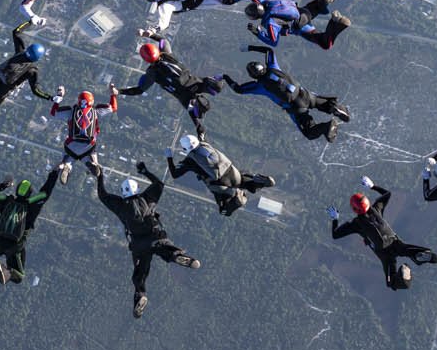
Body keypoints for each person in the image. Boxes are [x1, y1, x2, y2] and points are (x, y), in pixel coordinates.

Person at [96, 159, 201, 317]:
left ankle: (141, 293)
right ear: (137, 189)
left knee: (140, 273)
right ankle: (177, 256)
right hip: (155, 236)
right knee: (166, 248)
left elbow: (102, 195)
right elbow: (159, 184)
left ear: (124, 192)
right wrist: (145, 171)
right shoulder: (147, 198)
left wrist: (100, 176)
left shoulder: (120, 205)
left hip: (139, 245)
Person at [332, 179, 437, 290]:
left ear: (355, 209)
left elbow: (335, 234)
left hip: (383, 252)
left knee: (390, 281)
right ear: (367, 201)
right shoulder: (376, 209)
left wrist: (335, 219)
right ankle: (419, 254)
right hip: (393, 241)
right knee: (405, 249)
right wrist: (373, 186)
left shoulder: (356, 224)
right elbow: (388, 194)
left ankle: (405, 280)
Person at [0, 167, 65, 283]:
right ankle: (8, 272)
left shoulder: (7, 201)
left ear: (17, 190)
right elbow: (45, 193)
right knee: (18, 276)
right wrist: (54, 173)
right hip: (16, 246)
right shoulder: (32, 204)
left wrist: (4, 185)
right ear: (29, 193)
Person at [225, 48, 347, 140]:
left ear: (252, 75)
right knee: (320, 103)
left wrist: (226, 78)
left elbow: (238, 89)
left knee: (309, 132)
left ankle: (327, 126)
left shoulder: (260, 86)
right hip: (305, 94)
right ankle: (335, 107)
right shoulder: (274, 67)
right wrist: (250, 47)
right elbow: (269, 50)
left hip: (296, 107)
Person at [167, 130, 274, 215]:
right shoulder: (205, 143)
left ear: (185, 148)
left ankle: (237, 201)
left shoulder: (189, 161)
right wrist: (193, 113)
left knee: (224, 210)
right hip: (233, 172)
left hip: (220, 185)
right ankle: (259, 182)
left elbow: (174, 174)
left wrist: (169, 158)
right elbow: (201, 129)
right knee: (243, 180)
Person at [125, 40, 223, 125]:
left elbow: (138, 90)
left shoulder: (152, 72)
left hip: (187, 91)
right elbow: (163, 41)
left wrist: (119, 91)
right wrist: (151, 34)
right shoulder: (166, 56)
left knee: (195, 112)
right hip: (193, 84)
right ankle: (211, 89)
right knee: (214, 87)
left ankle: (203, 101)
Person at [229, 0, 351, 52]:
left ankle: (336, 23)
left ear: (257, 17)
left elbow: (273, 42)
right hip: (302, 11)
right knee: (316, 7)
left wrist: (257, 32)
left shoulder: (270, 23)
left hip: (301, 26)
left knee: (325, 44)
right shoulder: (265, 2)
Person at [48, 86, 119, 183]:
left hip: (71, 145)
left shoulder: (70, 111)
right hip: (88, 146)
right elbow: (113, 107)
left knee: (69, 157)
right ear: (92, 102)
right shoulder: (97, 111)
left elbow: (53, 113)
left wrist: (59, 96)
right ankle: (93, 163)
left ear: (78, 101)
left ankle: (66, 165)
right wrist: (113, 95)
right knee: (88, 155)